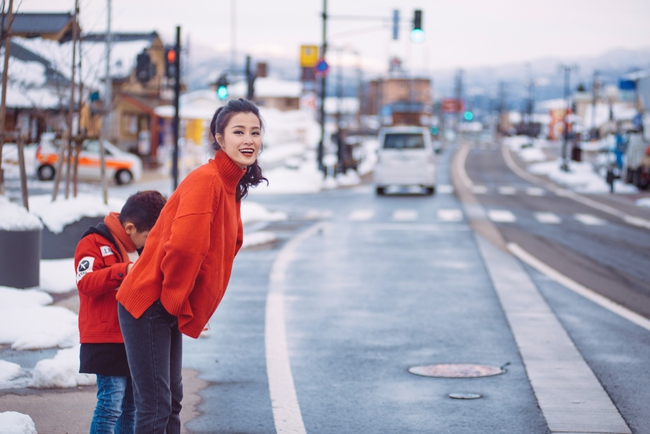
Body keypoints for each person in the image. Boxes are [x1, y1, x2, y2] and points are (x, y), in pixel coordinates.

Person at [116, 98, 267, 433]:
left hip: (164, 303)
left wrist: (185, 304)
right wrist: (176, 301)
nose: (248, 140)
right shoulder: (207, 181)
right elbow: (184, 248)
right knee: (155, 408)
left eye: (255, 132)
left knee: (170, 402)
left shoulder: (229, 184)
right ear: (219, 137)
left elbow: (218, 253)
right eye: (238, 131)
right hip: (150, 302)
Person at [74, 190, 167, 434]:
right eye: (147, 236)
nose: (149, 242)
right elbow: (85, 282)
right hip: (105, 338)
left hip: (135, 337)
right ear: (129, 228)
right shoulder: (93, 241)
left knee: (132, 407)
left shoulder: (145, 247)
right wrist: (124, 270)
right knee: (110, 405)